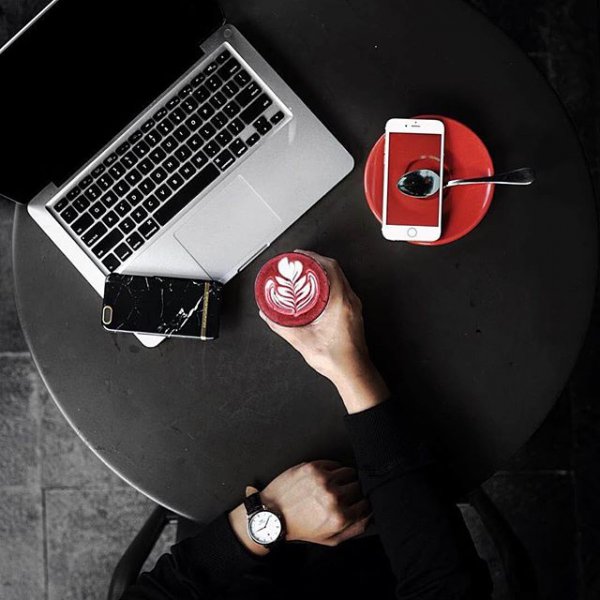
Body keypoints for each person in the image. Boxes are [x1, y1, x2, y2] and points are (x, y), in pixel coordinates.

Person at [122, 251, 492, 600]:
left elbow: (156, 592)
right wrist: (349, 368)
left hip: (236, 557)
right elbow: (446, 585)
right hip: (382, 555)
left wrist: (264, 521)